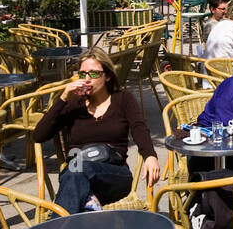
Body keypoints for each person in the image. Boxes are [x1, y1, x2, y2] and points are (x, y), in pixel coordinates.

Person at [31, 50, 160, 213]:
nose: (86, 79)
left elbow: (139, 127)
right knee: (76, 173)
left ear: (107, 76)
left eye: (93, 73)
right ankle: (88, 206)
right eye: (82, 73)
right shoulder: (74, 104)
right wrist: (63, 98)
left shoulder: (123, 99)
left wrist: (150, 156)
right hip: (77, 169)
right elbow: (39, 135)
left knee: (77, 173)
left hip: (113, 173)